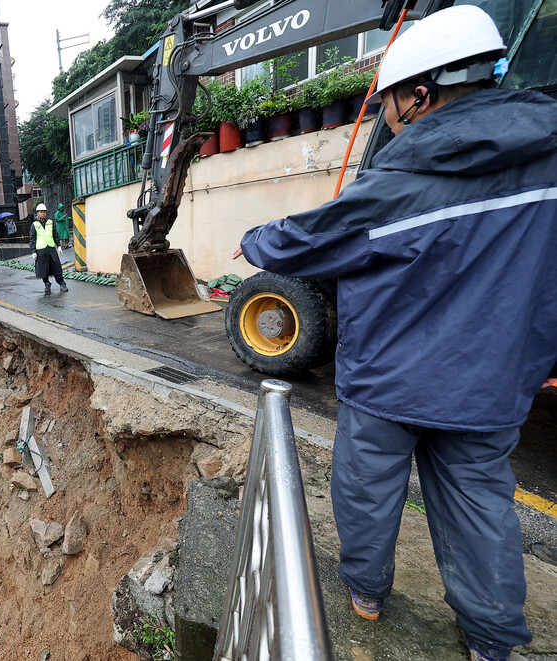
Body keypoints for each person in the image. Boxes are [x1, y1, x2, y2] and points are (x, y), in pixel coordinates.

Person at [234, 7, 557, 661]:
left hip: (387, 381)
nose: (382, 116)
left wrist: (252, 239)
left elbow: (301, 242)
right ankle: (491, 640)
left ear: (420, 93)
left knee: (365, 491)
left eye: (384, 103)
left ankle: (365, 593)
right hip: (491, 382)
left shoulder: (398, 186)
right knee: (480, 506)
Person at [29, 202, 67, 295]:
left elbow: (55, 235)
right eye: (41, 212)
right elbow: (32, 239)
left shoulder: (50, 222)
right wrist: (33, 251)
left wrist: (58, 246)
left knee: (56, 267)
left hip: (51, 248)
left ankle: (62, 283)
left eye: (44, 212)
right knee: (43, 269)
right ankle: (47, 284)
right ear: (37, 213)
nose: (43, 213)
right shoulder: (34, 225)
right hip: (41, 250)